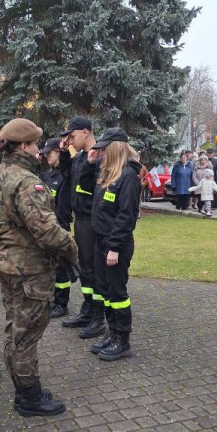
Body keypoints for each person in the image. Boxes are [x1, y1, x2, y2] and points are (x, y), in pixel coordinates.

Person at [0, 118, 79, 417]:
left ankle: (23, 388)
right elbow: (48, 232)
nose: (40, 150)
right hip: (29, 271)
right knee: (26, 334)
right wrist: (73, 250)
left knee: (16, 327)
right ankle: (29, 397)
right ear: (24, 146)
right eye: (36, 144)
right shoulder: (27, 182)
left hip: (7, 265)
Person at [78, 127, 141, 360]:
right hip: (100, 240)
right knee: (104, 290)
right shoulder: (106, 174)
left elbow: (126, 217)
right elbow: (83, 187)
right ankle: (112, 333)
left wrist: (114, 247)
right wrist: (89, 163)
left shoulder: (128, 177)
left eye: (104, 148)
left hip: (116, 244)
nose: (101, 152)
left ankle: (122, 340)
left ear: (115, 149)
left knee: (117, 292)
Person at [59, 116, 105, 340]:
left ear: (85, 132)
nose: (70, 140)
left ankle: (98, 316)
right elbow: (67, 177)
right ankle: (88, 309)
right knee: (85, 266)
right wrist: (62, 154)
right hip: (81, 220)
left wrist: (89, 164)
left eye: (73, 136)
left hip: (92, 220)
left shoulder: (99, 157)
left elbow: (96, 189)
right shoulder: (78, 158)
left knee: (94, 268)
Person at [40, 137, 73, 318]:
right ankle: (53, 299)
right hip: (47, 226)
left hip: (61, 225)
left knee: (61, 266)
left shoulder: (66, 174)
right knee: (51, 266)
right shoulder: (47, 174)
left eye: (49, 153)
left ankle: (62, 303)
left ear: (58, 152)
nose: (46, 157)